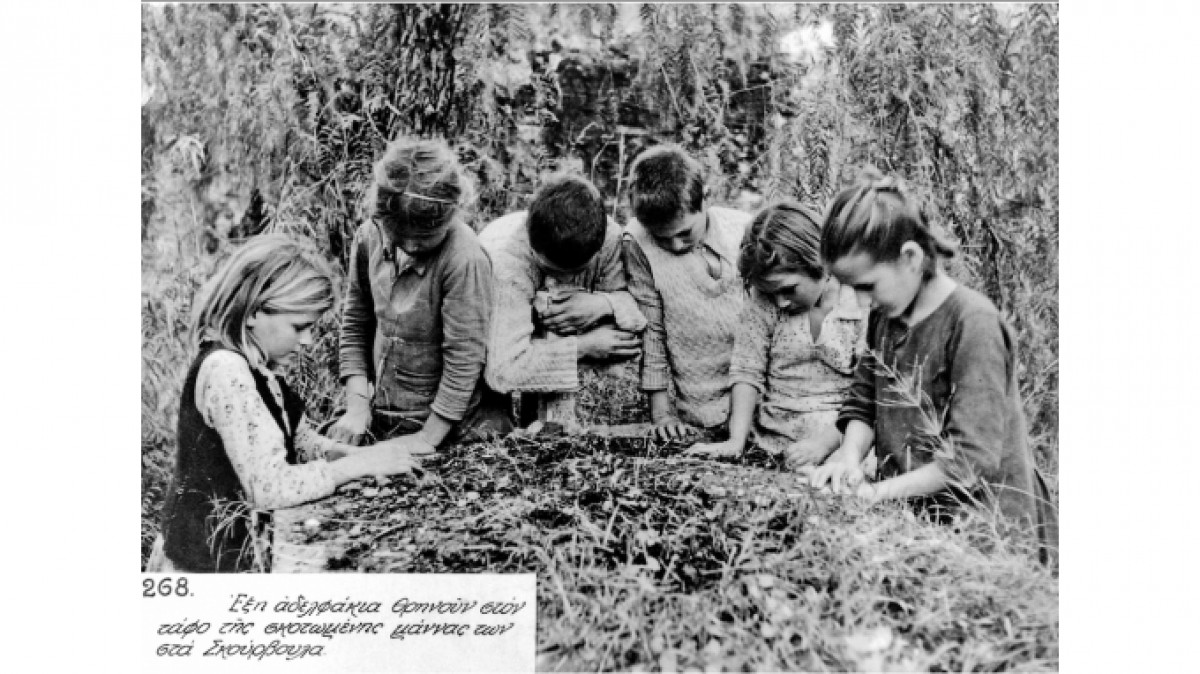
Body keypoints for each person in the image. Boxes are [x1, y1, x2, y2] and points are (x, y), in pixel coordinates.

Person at [809, 170, 1057, 560]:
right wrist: (850, 459)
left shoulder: (972, 323)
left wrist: (876, 493)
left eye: (866, 286)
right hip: (917, 522)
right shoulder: (885, 317)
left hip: (988, 532)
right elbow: (864, 402)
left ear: (910, 257)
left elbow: (970, 459)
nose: (858, 303)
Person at [150, 235, 430, 573]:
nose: (308, 340)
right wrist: (355, 467)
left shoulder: (258, 366)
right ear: (254, 312)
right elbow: (270, 486)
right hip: (203, 569)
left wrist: (369, 457)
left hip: (238, 555)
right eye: (299, 326)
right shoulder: (226, 371)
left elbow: (301, 443)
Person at [326, 136, 509, 449]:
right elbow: (356, 323)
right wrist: (357, 409)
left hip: (456, 427)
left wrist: (425, 440)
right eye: (400, 236)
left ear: (451, 214)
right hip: (385, 416)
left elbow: (464, 361)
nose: (411, 246)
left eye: (425, 239)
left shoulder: (464, 260)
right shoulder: (369, 236)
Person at [687, 202, 867, 467]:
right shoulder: (764, 303)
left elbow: (869, 390)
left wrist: (824, 443)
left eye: (789, 289)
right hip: (777, 431)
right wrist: (736, 440)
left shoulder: (858, 303)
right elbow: (747, 370)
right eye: (771, 293)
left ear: (819, 262)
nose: (781, 302)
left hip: (842, 431)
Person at [478, 173, 646, 413]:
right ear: (532, 244)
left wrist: (603, 304)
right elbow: (502, 370)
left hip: (544, 355)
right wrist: (583, 347)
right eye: (550, 269)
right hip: (491, 346)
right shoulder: (505, 261)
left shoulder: (609, 236)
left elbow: (643, 307)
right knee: (492, 423)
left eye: (577, 271)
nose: (565, 281)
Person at [622, 145, 753, 440]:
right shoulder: (638, 243)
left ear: (706, 198)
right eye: (662, 238)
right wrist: (661, 415)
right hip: (697, 407)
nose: (676, 246)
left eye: (685, 234)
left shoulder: (743, 230)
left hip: (755, 391)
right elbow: (651, 331)